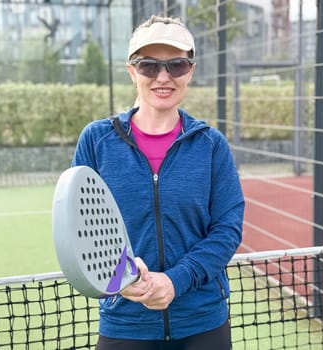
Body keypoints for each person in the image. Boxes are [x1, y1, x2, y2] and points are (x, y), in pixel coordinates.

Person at [71, 14, 245, 350]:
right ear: (132, 71)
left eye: (176, 65)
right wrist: (119, 279)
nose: (163, 77)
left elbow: (227, 229)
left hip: (202, 324)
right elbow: (82, 229)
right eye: (149, 66)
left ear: (190, 70)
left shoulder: (211, 145)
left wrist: (175, 282)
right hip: (125, 323)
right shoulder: (95, 140)